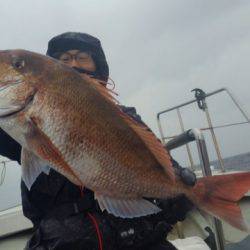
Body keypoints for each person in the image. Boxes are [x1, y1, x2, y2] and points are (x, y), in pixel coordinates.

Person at [0, 32, 196, 250]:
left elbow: (159, 160)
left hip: (136, 239)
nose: (73, 63)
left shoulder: (126, 118)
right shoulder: (14, 123)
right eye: (64, 59)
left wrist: (180, 185)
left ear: (98, 66)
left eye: (82, 56)